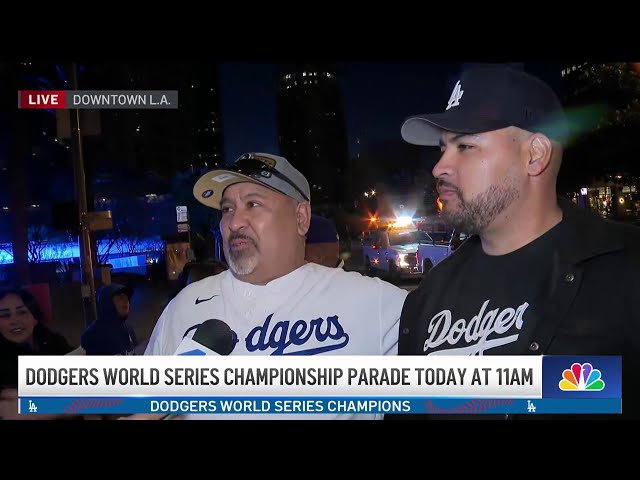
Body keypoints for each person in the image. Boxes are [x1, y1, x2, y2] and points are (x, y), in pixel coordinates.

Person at [392, 64, 640, 419]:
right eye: (442, 148)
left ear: (535, 155)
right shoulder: (427, 297)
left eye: (464, 145)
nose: (439, 167)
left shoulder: (626, 268)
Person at [140, 152, 408, 420]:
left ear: (301, 218)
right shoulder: (185, 307)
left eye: (253, 204)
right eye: (227, 209)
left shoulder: (372, 303)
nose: (233, 223)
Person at [0, 286, 74, 420]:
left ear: (34, 318)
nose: (14, 321)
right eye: (5, 315)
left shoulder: (55, 342)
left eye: (22, 312)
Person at [81, 283, 137, 356]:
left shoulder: (128, 328)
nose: (126, 301)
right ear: (107, 302)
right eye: (120, 297)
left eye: (127, 297)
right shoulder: (92, 335)